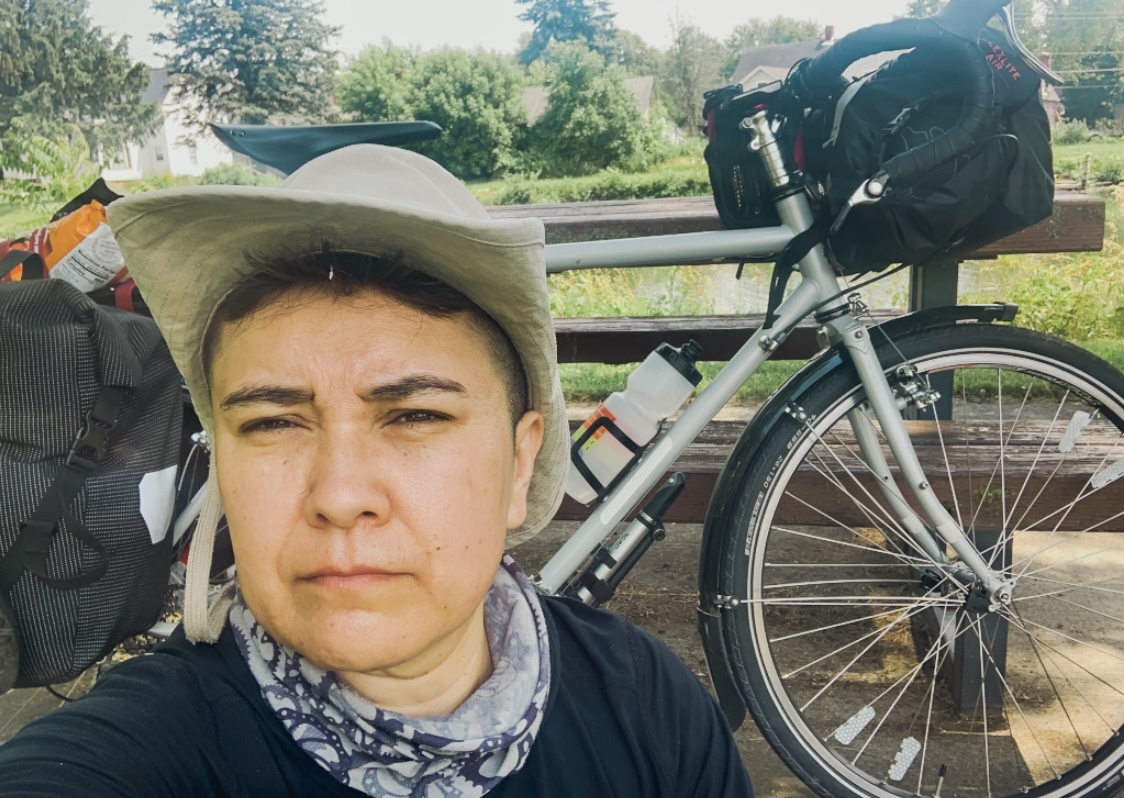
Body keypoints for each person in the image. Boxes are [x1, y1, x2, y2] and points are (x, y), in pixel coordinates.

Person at [0, 144, 752, 796]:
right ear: (222, 466)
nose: (341, 495)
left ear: (518, 465)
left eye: (415, 415)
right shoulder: (142, 751)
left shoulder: (652, 709)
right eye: (272, 423)